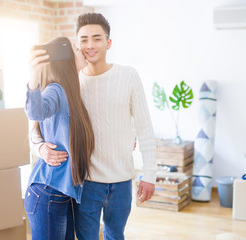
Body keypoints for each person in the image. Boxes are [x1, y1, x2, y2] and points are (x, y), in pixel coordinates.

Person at [31, 13, 157, 240]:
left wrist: (150, 174)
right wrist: (40, 148)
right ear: (77, 44)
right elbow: (37, 125)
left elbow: (145, 128)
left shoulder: (128, 76)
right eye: (84, 40)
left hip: (121, 181)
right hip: (86, 184)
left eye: (97, 38)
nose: (90, 45)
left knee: (115, 235)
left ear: (108, 43)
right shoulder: (70, 83)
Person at [24, 36, 94, 240]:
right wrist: (33, 75)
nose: (80, 48)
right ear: (67, 59)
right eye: (75, 47)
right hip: (47, 192)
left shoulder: (75, 92)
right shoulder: (56, 90)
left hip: (63, 193)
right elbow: (36, 112)